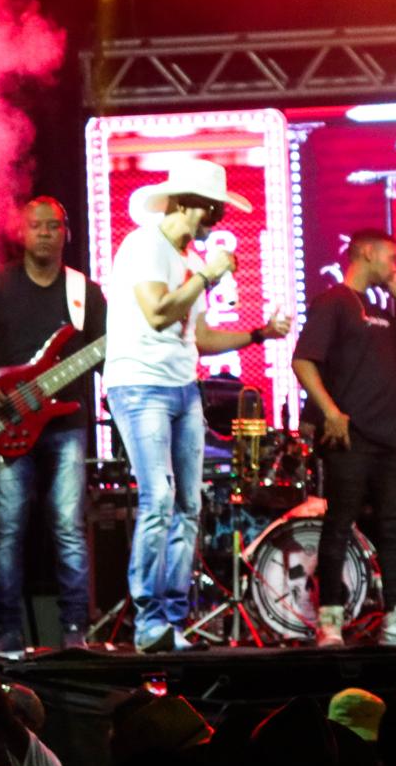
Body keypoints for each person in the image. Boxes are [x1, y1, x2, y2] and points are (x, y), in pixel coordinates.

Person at [105, 158, 291, 653]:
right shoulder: (145, 244)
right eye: (216, 210)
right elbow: (157, 311)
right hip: (140, 386)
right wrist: (207, 276)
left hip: (184, 388)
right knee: (158, 499)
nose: (219, 221)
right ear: (194, 205)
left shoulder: (188, 259)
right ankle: (148, 623)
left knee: (189, 505)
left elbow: (201, 337)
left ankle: (171, 621)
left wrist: (259, 334)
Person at [0, 196, 107, 651]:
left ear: (66, 233)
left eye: (53, 226)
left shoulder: (85, 291)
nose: (44, 233)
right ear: (20, 232)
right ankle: (7, 632)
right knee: (8, 530)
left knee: (68, 527)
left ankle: (75, 631)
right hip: (7, 419)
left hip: (67, 422)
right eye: (36, 225)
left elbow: (107, 353)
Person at [293, 228, 396, 647]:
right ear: (367, 253)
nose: (395, 265)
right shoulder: (334, 301)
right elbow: (303, 361)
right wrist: (330, 412)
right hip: (351, 435)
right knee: (339, 524)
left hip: (391, 435)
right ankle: (330, 620)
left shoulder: (383, 310)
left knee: (394, 527)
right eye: (391, 257)